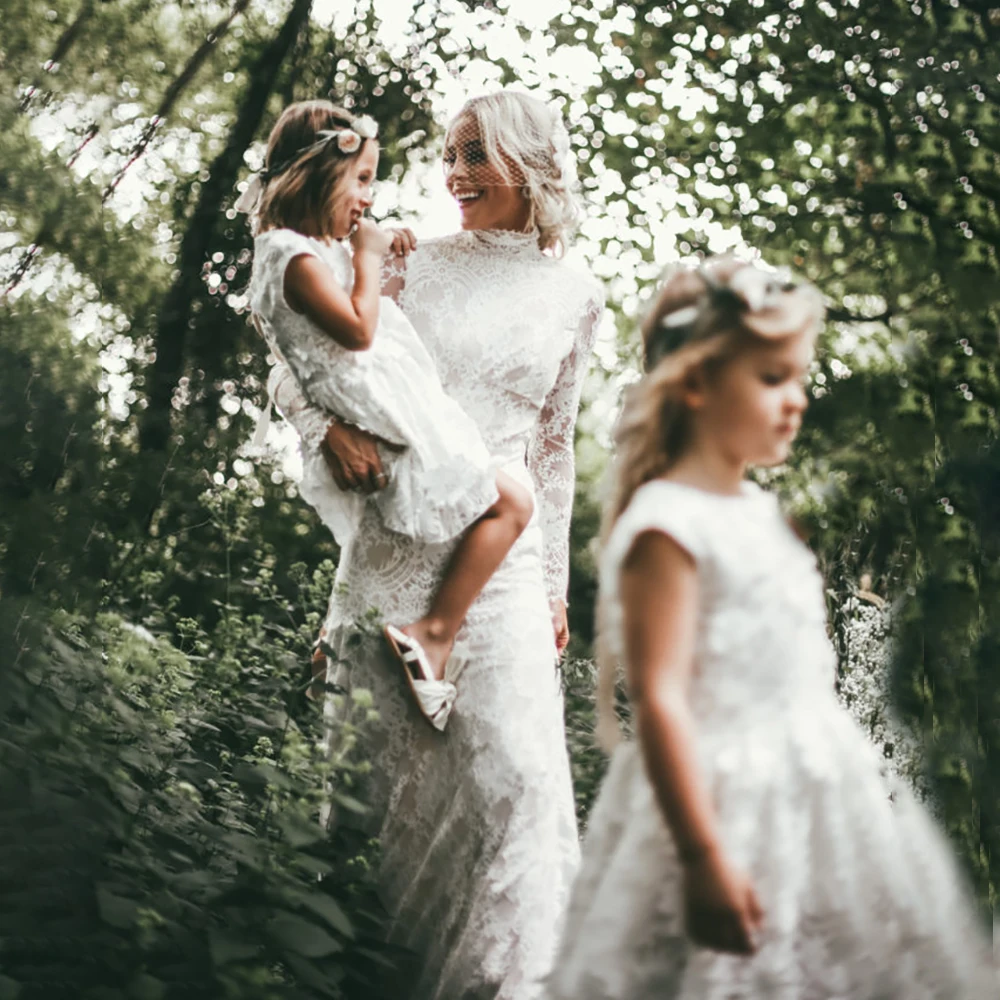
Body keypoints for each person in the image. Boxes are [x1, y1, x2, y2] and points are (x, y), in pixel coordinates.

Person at [545, 258, 996, 999]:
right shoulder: (667, 524)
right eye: (771, 378)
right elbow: (660, 701)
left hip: (813, 798)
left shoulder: (760, 515)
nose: (797, 400)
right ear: (695, 383)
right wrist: (702, 858)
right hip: (720, 805)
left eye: (798, 378)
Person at [266, 90, 604, 998]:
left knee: (519, 792)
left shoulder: (578, 294)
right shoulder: (409, 259)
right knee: (380, 802)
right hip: (397, 546)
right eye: (448, 155)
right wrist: (319, 432)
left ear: (529, 163)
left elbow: (553, 446)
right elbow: (300, 355)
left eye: (472, 155)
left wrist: (556, 588)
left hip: (504, 567)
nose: (452, 175)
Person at [244, 101, 535, 730]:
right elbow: (339, 337)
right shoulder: (299, 257)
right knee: (512, 502)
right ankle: (425, 637)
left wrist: (361, 244)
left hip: (401, 434)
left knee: (506, 506)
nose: (370, 201)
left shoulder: (297, 251)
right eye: (363, 180)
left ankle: (352, 644)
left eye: (475, 157)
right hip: (395, 436)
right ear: (320, 175)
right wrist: (370, 258)